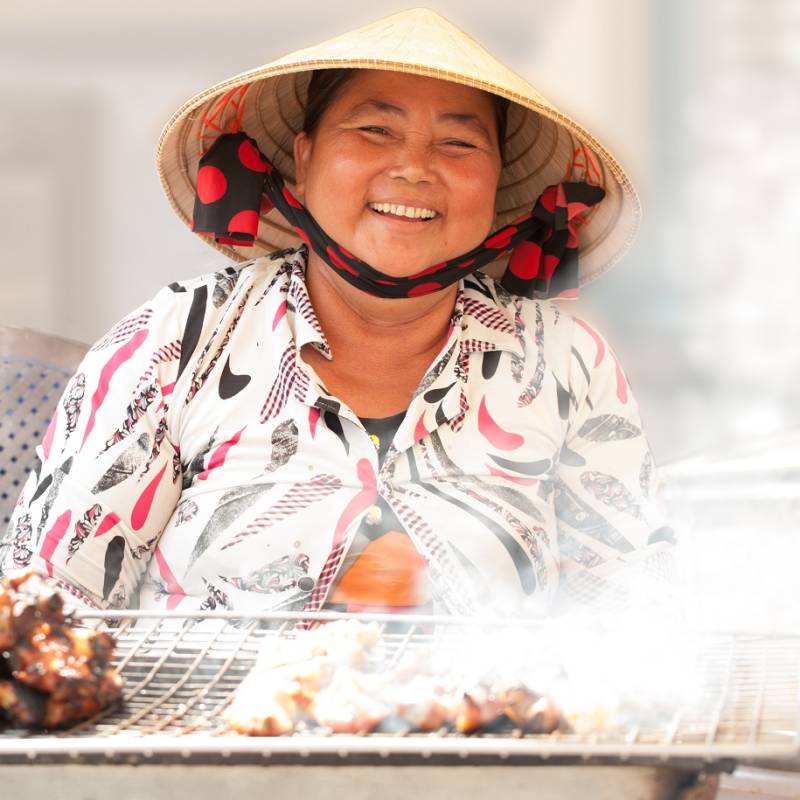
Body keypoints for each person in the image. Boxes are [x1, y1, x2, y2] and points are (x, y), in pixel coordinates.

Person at [0, 9, 672, 616]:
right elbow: (47, 611)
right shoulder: (176, 342)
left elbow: (635, 613)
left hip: (493, 741)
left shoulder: (565, 361)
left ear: (498, 186)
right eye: (375, 129)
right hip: (198, 744)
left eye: (459, 144)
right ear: (304, 156)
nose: (413, 168)